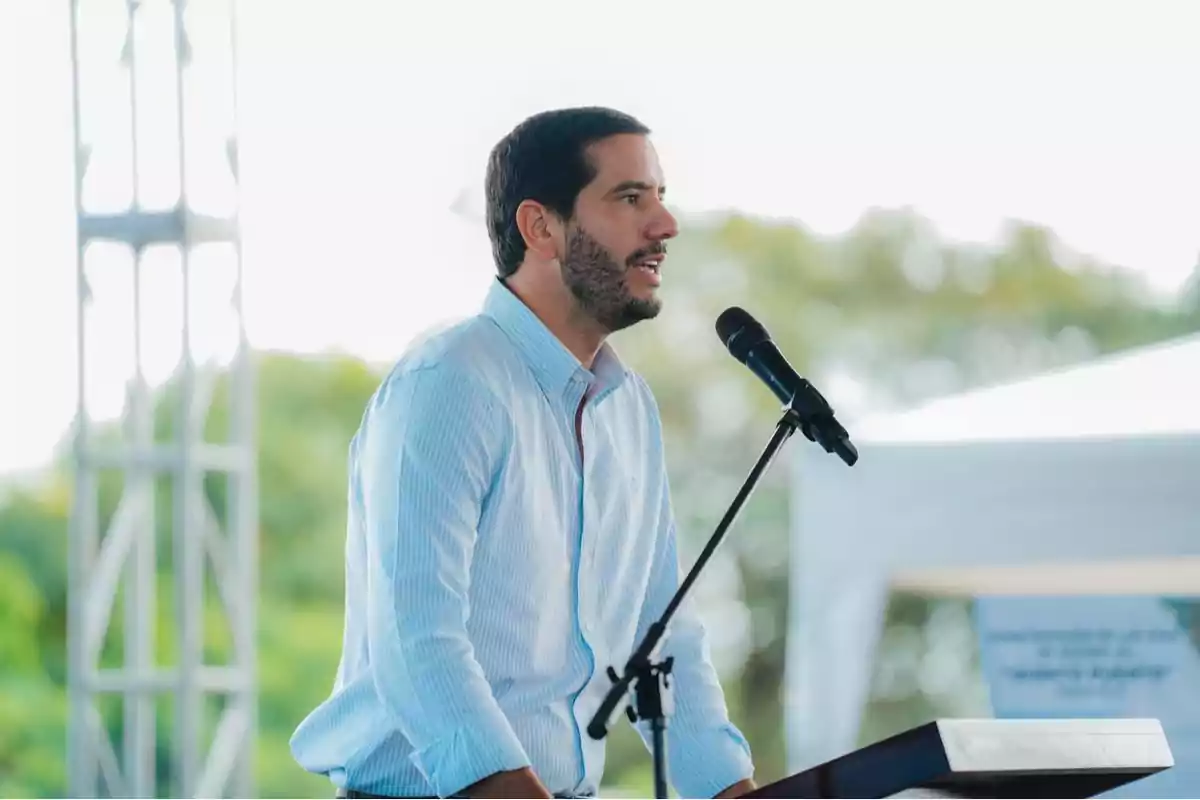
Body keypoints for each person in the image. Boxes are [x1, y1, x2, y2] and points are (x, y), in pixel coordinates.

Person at [290, 106, 756, 799]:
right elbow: (419, 644)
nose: (664, 225)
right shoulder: (451, 382)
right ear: (540, 227)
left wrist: (730, 791)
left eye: (661, 197)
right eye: (630, 198)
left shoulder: (629, 410)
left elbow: (663, 639)